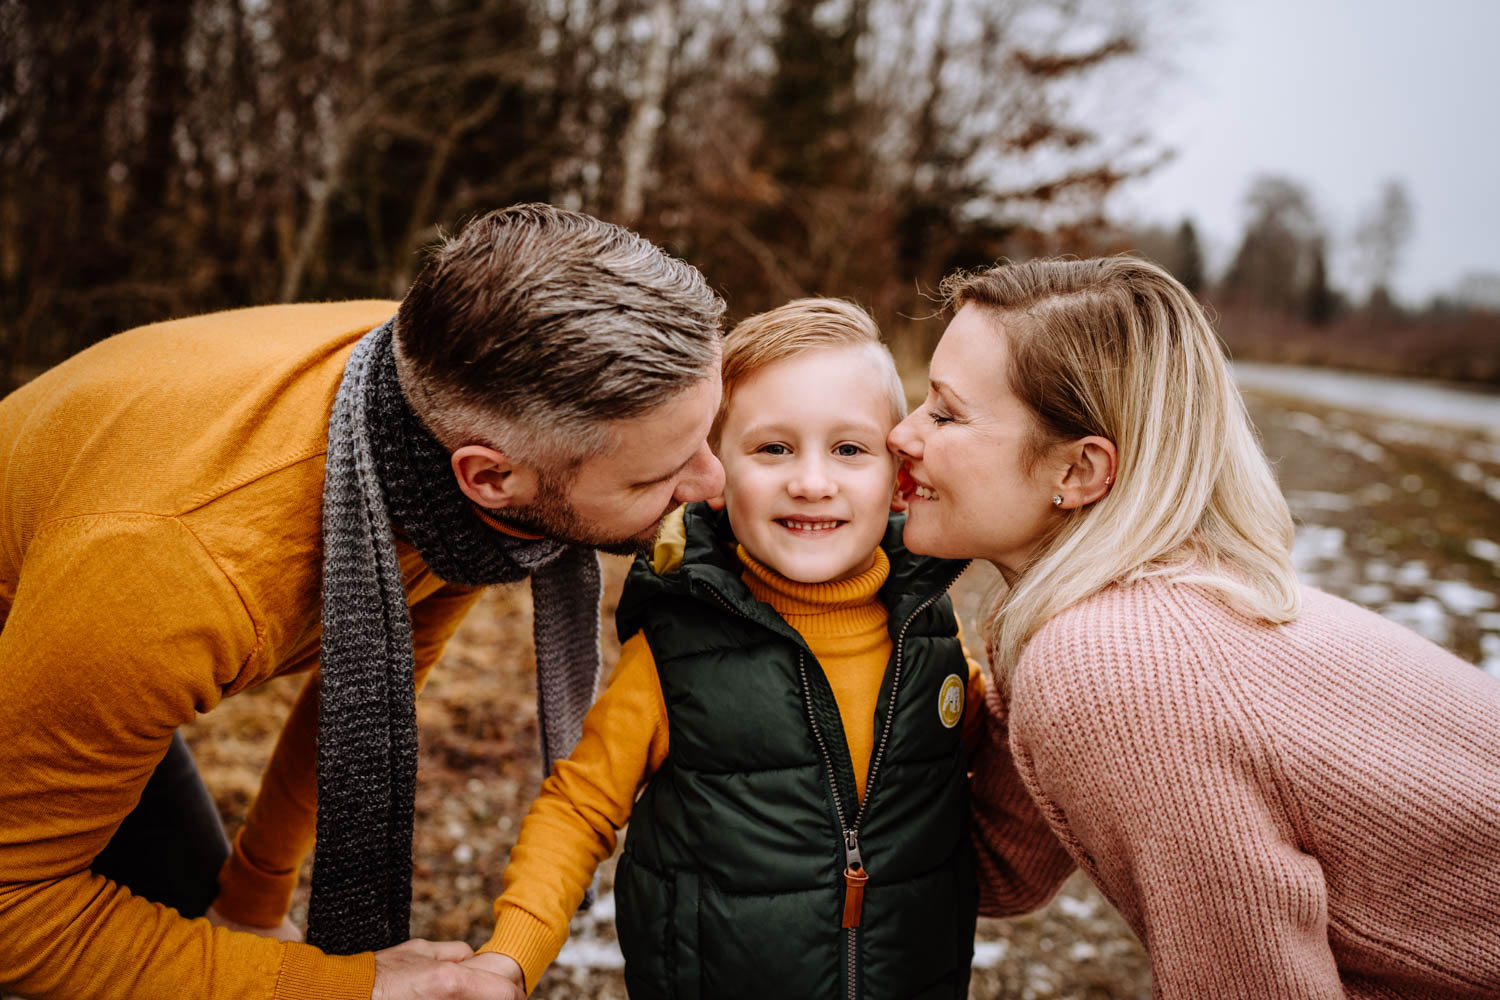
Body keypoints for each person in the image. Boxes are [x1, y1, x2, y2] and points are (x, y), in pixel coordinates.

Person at [0, 204, 727, 1000]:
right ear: (490, 476)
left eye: (706, 435)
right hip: (63, 625)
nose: (713, 483)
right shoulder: (171, 581)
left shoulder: (439, 395)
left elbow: (369, 683)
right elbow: (14, 915)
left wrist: (253, 904)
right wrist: (344, 986)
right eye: (659, 475)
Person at [888, 255, 1500, 998]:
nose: (901, 434)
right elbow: (999, 869)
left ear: (1079, 471)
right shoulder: (1110, 609)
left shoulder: (1116, 664)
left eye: (945, 414)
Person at [461, 298, 1015, 999]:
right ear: (715, 476)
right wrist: (509, 959)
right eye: (773, 449)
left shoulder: (927, 629)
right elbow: (579, 807)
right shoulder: (678, 649)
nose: (811, 483)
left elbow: (998, 748)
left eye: (849, 450)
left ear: (899, 478)